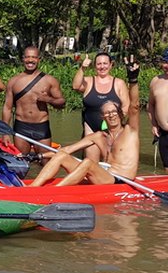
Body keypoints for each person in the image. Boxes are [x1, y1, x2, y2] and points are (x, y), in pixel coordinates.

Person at [30, 57, 141, 186]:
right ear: (103, 117)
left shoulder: (130, 131)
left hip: (121, 180)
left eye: (114, 112)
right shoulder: (100, 136)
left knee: (88, 162)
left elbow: (134, 106)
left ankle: (54, 191)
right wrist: (39, 156)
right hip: (104, 175)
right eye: (107, 113)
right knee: (61, 155)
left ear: (120, 114)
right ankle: (32, 187)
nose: (111, 115)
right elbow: (68, 149)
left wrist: (133, 80)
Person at [1, 46, 66, 157]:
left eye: (34, 57)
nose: (30, 60)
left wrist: (48, 99)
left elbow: (62, 103)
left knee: (45, 163)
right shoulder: (13, 81)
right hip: (21, 127)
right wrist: (5, 132)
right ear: (23, 59)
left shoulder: (49, 80)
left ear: (39, 59)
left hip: (41, 126)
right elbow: (7, 108)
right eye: (27, 57)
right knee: (22, 163)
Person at [72, 52, 130, 162]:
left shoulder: (119, 83)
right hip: (91, 128)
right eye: (99, 64)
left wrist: (115, 124)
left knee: (111, 161)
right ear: (94, 66)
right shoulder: (89, 81)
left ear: (111, 65)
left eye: (105, 63)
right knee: (91, 162)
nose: (102, 67)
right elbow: (75, 86)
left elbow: (126, 106)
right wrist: (83, 68)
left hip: (112, 129)